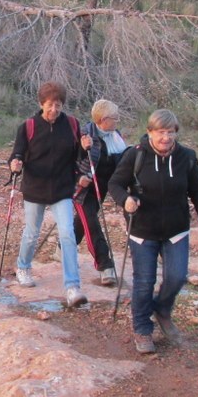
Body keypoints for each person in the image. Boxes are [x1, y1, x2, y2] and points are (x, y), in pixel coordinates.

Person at [108, 109, 198, 355]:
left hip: (176, 229)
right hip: (142, 230)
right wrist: (125, 199)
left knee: (177, 277)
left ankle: (163, 309)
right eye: (160, 132)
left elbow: (197, 190)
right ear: (150, 133)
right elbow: (114, 183)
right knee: (144, 282)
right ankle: (142, 329)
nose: (165, 137)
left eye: (170, 132)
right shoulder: (135, 156)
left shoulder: (186, 157)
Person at [8, 81, 89, 307]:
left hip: (62, 189)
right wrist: (15, 163)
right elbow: (17, 153)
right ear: (41, 103)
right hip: (35, 188)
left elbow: (78, 157)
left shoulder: (72, 124)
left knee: (67, 234)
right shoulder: (28, 126)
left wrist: (84, 146)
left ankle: (72, 287)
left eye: (58, 105)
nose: (54, 110)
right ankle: (23, 267)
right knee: (32, 233)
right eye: (50, 105)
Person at [73, 99, 126, 287]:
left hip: (101, 188)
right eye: (115, 118)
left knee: (84, 221)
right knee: (92, 224)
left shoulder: (115, 135)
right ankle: (105, 265)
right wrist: (78, 177)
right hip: (82, 189)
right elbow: (67, 162)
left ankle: (63, 248)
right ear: (103, 120)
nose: (117, 120)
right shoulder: (84, 135)